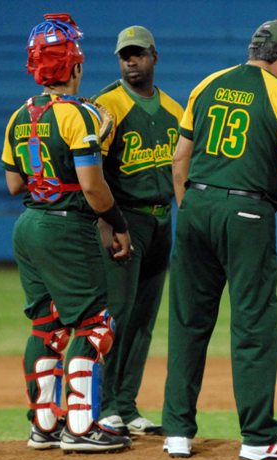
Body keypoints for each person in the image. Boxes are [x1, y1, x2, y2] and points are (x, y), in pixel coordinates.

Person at [162, 19, 277, 460]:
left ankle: (177, 431)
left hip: (196, 204)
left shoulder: (208, 84)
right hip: (247, 211)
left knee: (187, 322)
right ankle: (257, 437)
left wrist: (192, 207)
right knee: (252, 325)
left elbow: (181, 158)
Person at [1, 13, 133, 453]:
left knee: (47, 328)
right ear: (75, 66)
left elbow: (15, 184)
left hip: (29, 226)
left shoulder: (19, 116)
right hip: (65, 227)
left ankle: (44, 425)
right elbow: (94, 188)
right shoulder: (79, 116)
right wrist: (118, 224)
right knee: (96, 325)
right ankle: (80, 426)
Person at [92, 25, 183, 437]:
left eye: (138, 54)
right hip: (124, 220)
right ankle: (106, 404)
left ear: (154, 57)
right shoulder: (106, 106)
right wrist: (108, 223)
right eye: (124, 55)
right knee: (119, 315)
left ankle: (126, 405)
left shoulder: (175, 111)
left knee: (145, 318)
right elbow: (92, 172)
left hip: (162, 220)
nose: (130, 61)